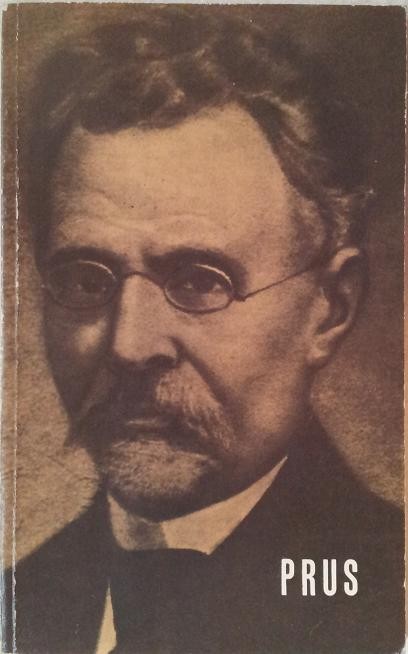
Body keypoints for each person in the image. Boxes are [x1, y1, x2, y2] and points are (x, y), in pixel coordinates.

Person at [3, 8, 404, 654]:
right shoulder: (17, 604)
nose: (130, 345)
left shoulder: (392, 600)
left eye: (199, 282)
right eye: (86, 280)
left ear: (329, 308)